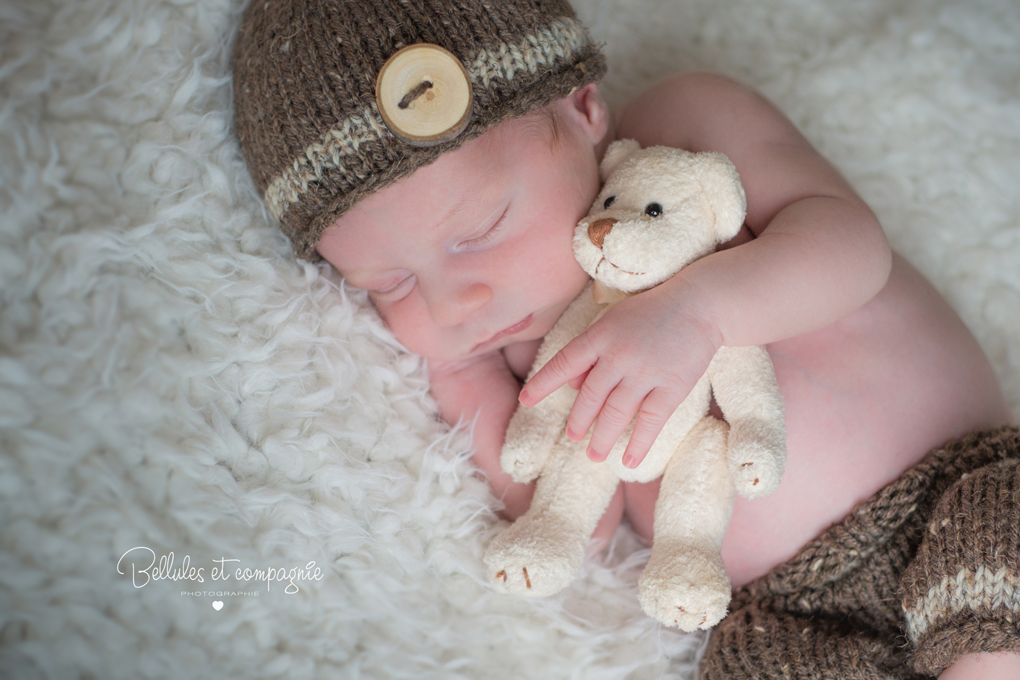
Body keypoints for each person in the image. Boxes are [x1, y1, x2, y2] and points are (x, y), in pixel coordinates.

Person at [230, 1, 1019, 677]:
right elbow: (581, 521)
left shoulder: (683, 138)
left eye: (479, 231)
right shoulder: (504, 349)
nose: (454, 299)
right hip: (794, 611)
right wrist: (458, 378)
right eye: (388, 284)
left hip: (958, 486)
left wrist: (699, 312)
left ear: (581, 108)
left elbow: (852, 249)